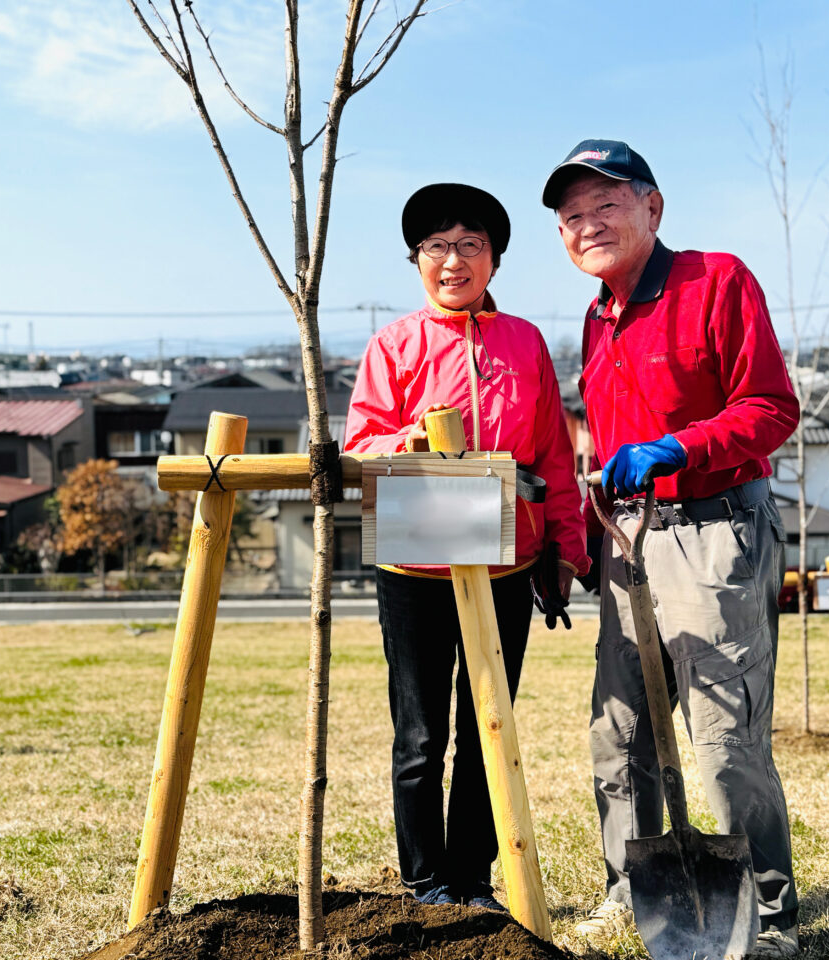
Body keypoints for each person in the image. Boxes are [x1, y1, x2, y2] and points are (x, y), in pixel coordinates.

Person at [541, 140, 802, 957]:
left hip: (716, 529)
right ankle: (631, 888)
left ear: (653, 207)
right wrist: (579, 545)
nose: (588, 225)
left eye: (605, 205)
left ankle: (764, 914)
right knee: (619, 732)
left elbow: (771, 408)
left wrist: (680, 448)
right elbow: (604, 452)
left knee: (724, 736)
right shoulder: (595, 317)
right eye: (571, 216)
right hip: (630, 540)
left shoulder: (716, 280)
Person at [344, 183, 590, 912]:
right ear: (417, 261)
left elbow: (553, 456)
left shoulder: (524, 342)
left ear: (495, 259)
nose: (454, 261)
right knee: (418, 734)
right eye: (437, 247)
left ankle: (474, 879)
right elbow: (359, 447)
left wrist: (565, 550)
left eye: (470, 245)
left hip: (506, 562)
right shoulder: (393, 344)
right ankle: (425, 883)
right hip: (413, 563)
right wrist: (405, 439)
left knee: (488, 722)